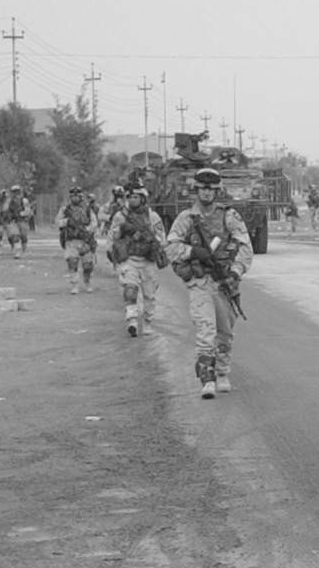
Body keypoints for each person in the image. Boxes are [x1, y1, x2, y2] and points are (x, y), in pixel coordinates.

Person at [166, 167, 252, 399]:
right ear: (196, 190)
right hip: (200, 282)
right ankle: (207, 378)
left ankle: (223, 372)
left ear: (217, 191)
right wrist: (193, 251)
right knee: (206, 330)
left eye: (211, 189)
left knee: (225, 332)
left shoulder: (229, 216)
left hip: (224, 282)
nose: (206, 193)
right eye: (202, 189)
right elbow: (171, 248)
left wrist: (234, 274)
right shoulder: (186, 219)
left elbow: (245, 248)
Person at [104, 184, 167, 337]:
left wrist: (150, 238)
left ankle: (147, 323)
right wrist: (112, 249)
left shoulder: (152, 216)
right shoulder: (121, 216)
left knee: (149, 296)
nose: (132, 200)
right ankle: (132, 320)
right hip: (130, 260)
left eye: (136, 197)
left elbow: (162, 238)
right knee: (130, 290)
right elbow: (112, 237)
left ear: (142, 198)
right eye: (130, 197)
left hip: (148, 261)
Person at [56, 184, 102, 294]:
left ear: (81, 197)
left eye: (77, 196)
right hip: (71, 241)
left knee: (88, 265)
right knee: (72, 262)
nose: (75, 198)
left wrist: (87, 230)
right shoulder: (65, 209)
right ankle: (74, 284)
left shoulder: (87, 209)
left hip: (85, 241)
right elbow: (58, 222)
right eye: (73, 196)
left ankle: (87, 281)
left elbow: (94, 223)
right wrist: (67, 222)